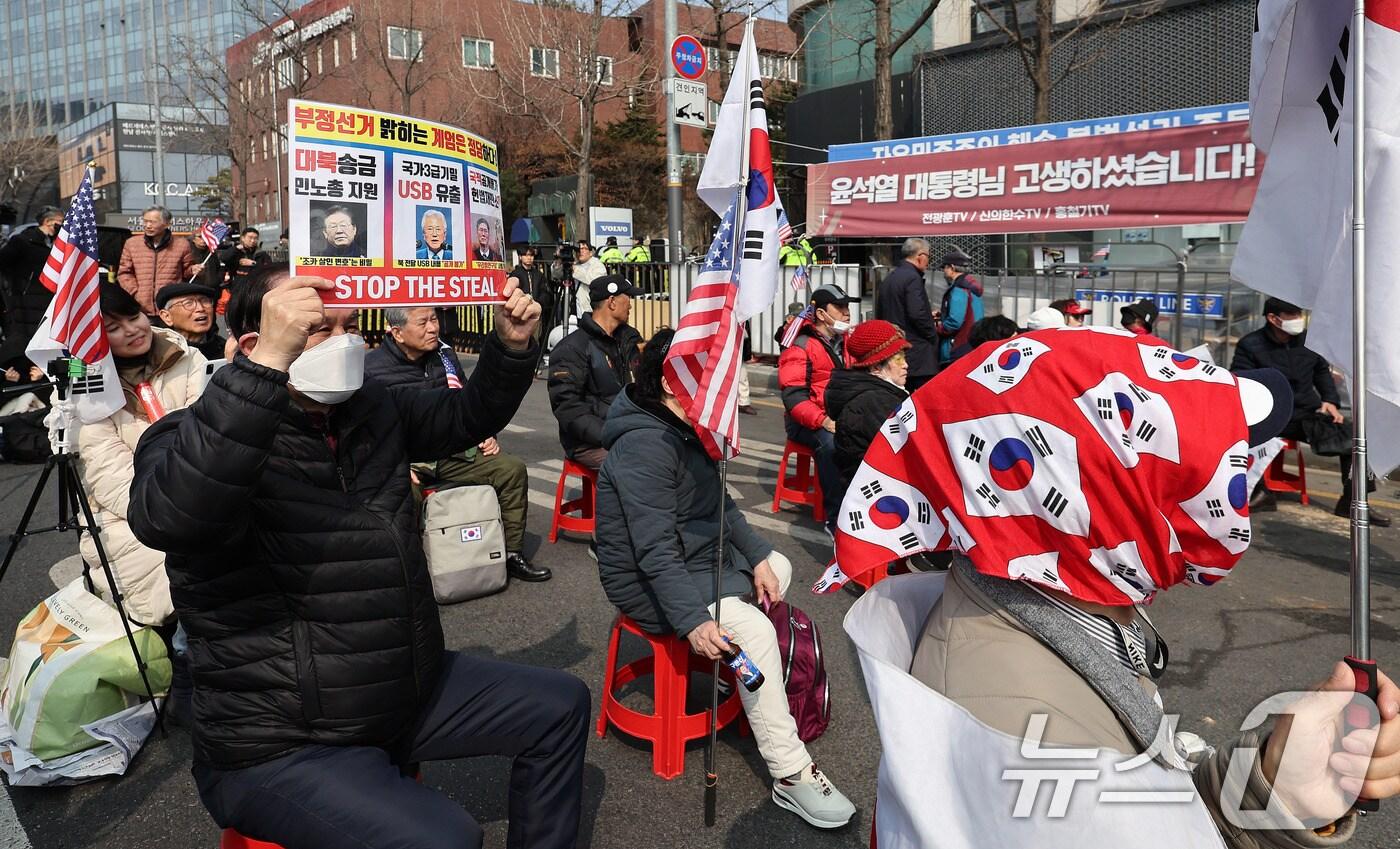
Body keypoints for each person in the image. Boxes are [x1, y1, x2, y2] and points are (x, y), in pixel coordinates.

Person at [839, 329, 1400, 848]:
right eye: (1216, 459)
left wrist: (1274, 788)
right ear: (1109, 505)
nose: (1236, 484)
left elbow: (1156, 811)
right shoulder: (1033, 748)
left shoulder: (1043, 595)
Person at [127, 267, 590, 849]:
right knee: (444, 837)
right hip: (281, 737)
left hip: (401, 691)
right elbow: (171, 517)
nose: (346, 344)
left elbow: (462, 417)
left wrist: (510, 348)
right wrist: (264, 367)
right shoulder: (186, 437)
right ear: (255, 343)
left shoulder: (369, 411)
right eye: (319, 330)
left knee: (558, 704)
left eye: (352, 327)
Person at [596, 329, 857, 830]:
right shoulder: (647, 445)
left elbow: (722, 507)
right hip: (649, 579)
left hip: (698, 560)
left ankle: (748, 671)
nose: (724, 387)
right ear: (675, 384)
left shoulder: (687, 425)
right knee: (757, 631)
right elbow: (651, 552)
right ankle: (791, 773)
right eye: (711, 376)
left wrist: (757, 556)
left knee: (778, 566)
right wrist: (693, 621)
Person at [365, 305, 549, 582]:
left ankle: (511, 554)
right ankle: (410, 570)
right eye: (423, 322)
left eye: (434, 319)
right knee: (402, 492)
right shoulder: (372, 369)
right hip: (408, 457)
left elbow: (469, 402)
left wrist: (484, 432)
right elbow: (371, 432)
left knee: (510, 470)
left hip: (452, 450)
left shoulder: (445, 355)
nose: (433, 328)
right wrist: (398, 463)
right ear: (397, 333)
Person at [77, 283, 208, 627]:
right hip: (133, 510)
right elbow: (107, 471)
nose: (132, 330)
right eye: (113, 328)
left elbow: (208, 432)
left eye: (133, 316)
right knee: (167, 589)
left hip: (201, 489)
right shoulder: (88, 388)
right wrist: (163, 508)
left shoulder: (189, 357)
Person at [1230, 297, 1388, 525]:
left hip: (1307, 415)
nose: (1298, 321)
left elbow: (1321, 372)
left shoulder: (1308, 342)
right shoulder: (1250, 344)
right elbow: (1241, 380)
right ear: (1273, 319)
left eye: (1298, 315)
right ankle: (1259, 493)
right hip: (1271, 415)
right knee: (1238, 437)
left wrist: (1330, 401)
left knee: (1358, 438)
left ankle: (1353, 501)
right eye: (1291, 316)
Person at [547, 275, 643, 471]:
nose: (631, 305)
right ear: (612, 302)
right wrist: (610, 433)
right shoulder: (572, 349)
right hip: (589, 442)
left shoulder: (626, 341)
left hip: (628, 429)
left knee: (674, 452)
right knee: (639, 466)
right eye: (628, 298)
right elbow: (569, 409)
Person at [778, 284, 855, 529]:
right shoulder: (801, 346)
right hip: (805, 422)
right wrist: (822, 420)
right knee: (832, 444)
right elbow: (794, 398)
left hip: (837, 415)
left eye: (847, 307)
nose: (847, 313)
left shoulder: (845, 343)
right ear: (821, 314)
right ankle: (836, 517)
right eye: (840, 308)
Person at [824, 319, 910, 496]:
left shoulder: (880, 393)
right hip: (876, 494)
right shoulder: (875, 401)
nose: (905, 365)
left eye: (904, 357)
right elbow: (906, 449)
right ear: (877, 366)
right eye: (898, 359)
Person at [876, 237, 940, 392]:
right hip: (916, 351)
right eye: (928, 257)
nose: (928, 262)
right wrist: (932, 335)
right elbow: (917, 314)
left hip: (896, 346)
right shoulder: (912, 278)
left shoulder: (891, 277)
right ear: (920, 256)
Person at [0, 206, 63, 348]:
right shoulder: (23, 241)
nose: (63, 226)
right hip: (27, 301)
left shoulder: (57, 244)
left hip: (49, 300)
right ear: (47, 222)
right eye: (60, 221)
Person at [117, 205, 196, 317]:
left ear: (167, 224)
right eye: (145, 221)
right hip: (141, 308)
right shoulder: (132, 243)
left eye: (153, 222)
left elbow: (186, 273)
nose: (148, 225)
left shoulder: (182, 244)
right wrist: (135, 293)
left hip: (170, 306)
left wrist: (193, 270)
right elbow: (124, 273)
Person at [935, 248, 984, 367]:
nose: (943, 272)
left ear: (951, 268)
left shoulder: (959, 289)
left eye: (944, 268)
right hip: (972, 344)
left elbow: (955, 322)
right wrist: (943, 314)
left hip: (958, 348)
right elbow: (968, 311)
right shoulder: (972, 287)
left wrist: (937, 329)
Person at [156, 282, 228, 361]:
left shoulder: (225, 349)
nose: (200, 308)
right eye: (188, 303)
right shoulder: (159, 354)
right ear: (167, 316)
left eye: (205, 301)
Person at [570, 240, 608, 318]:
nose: (581, 251)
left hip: (591, 310)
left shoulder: (597, 265)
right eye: (578, 249)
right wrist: (559, 261)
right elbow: (556, 274)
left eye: (584, 248)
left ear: (591, 253)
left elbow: (594, 281)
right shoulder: (573, 265)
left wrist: (575, 270)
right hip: (574, 309)